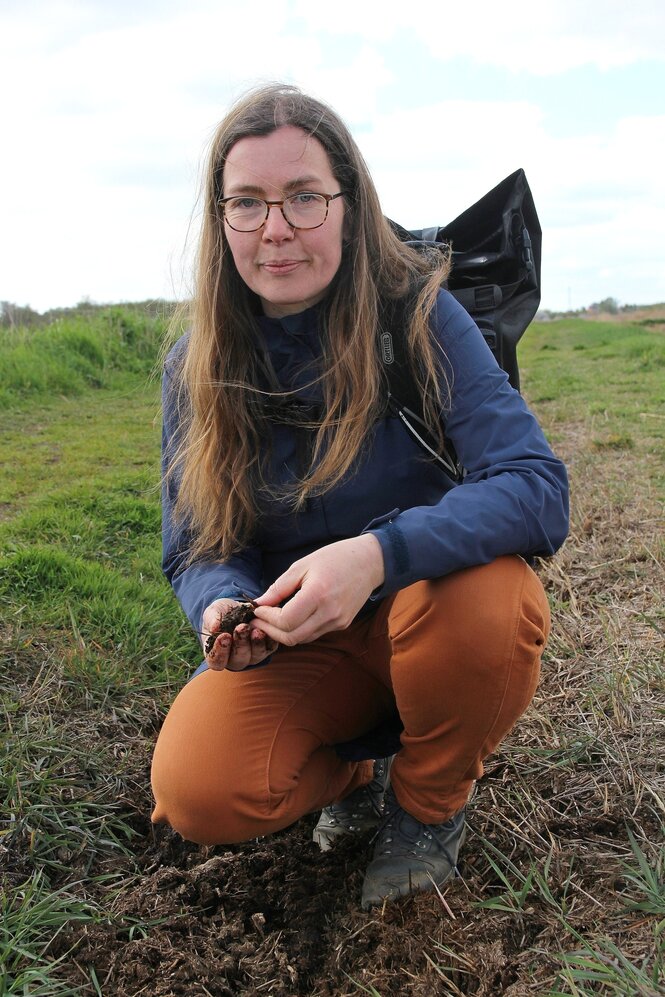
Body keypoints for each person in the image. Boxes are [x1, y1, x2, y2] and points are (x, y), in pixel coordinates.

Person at [150, 83, 569, 910]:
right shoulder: (194, 365)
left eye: (303, 197)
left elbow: (536, 488)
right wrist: (223, 604)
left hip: (428, 615)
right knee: (200, 790)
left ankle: (427, 805)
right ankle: (353, 772)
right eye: (247, 203)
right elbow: (198, 544)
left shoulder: (420, 316)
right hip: (306, 644)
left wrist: (377, 555)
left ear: (347, 202)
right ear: (221, 217)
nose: (276, 228)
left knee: (489, 601)